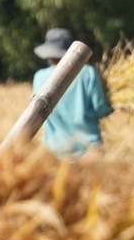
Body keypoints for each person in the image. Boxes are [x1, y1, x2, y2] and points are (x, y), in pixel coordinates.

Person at [31, 27, 113, 155]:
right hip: (89, 152)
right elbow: (100, 109)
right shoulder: (88, 73)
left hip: (54, 152)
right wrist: (113, 106)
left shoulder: (39, 77)